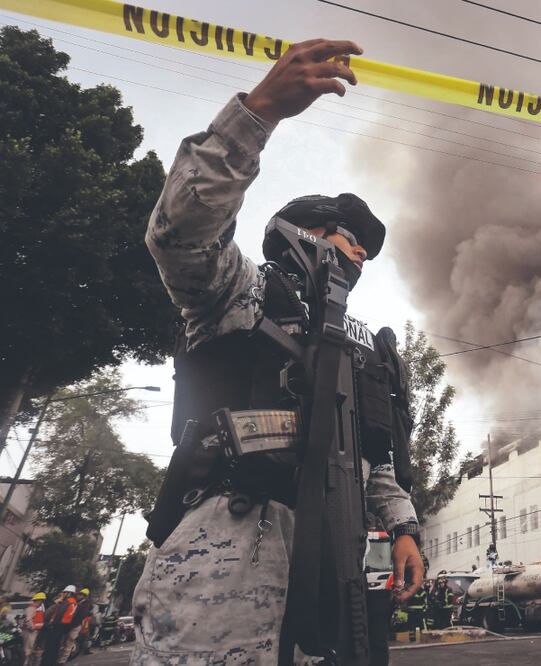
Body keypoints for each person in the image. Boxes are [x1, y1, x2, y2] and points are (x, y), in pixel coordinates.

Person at [131, 37, 424, 665]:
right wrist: (258, 112)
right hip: (228, 536)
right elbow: (179, 232)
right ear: (303, 234)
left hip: (329, 552)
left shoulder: (358, 347)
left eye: (367, 256)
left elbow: (372, 456)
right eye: (348, 240)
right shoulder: (239, 289)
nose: (358, 259)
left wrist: (403, 529)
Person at [40, 587, 77, 666]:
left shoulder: (66, 602)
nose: (63, 594)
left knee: (51, 645)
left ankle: (47, 662)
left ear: (69, 593)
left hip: (57, 626)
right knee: (56, 644)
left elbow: (59, 613)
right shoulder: (73, 602)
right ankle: (52, 661)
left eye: (65, 592)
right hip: (64, 626)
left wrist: (51, 623)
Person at [58, 587, 92, 663]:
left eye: (80, 595)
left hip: (75, 626)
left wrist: (72, 624)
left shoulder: (85, 605)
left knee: (69, 642)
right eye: (78, 594)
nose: (78, 596)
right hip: (70, 624)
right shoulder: (78, 602)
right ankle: (60, 658)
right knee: (64, 642)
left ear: (84, 596)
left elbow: (80, 617)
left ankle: (62, 661)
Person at [22, 592, 46, 666]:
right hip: (30, 632)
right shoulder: (32, 608)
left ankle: (28, 662)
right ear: (38, 600)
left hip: (35, 631)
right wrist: (32, 628)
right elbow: (28, 620)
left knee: (31, 648)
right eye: (41, 600)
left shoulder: (37, 608)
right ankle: (25, 663)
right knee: (28, 648)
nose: (42, 602)